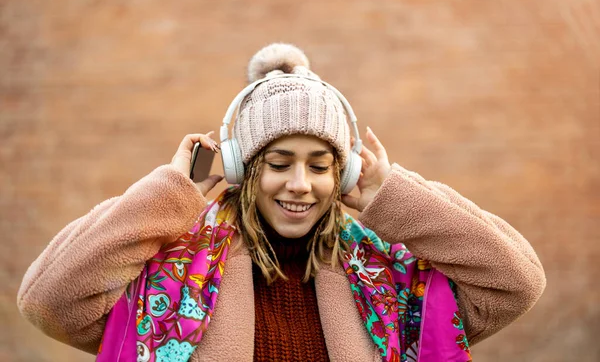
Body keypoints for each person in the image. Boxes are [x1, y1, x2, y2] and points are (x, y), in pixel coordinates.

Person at [18, 43, 545, 362]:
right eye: (278, 163)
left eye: (320, 166)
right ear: (243, 169)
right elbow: (50, 299)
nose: (299, 183)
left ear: (345, 175)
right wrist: (168, 194)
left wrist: (398, 199)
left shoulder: (391, 275)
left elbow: (515, 279)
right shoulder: (172, 273)